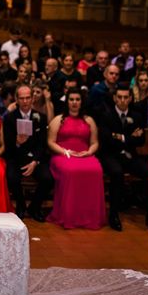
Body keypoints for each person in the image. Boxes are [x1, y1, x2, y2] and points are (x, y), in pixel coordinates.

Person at [97, 85, 148, 232]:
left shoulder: (137, 116)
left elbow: (141, 140)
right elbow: (106, 140)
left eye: (126, 97)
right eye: (120, 97)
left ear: (130, 98)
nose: (123, 100)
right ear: (114, 98)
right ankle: (114, 215)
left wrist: (119, 137)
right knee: (117, 174)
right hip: (111, 155)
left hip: (131, 156)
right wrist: (129, 137)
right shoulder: (106, 115)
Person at [46, 88, 106, 229]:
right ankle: (69, 215)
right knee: (71, 171)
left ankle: (89, 216)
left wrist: (89, 152)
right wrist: (65, 151)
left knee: (96, 170)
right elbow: (50, 142)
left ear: (81, 102)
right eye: (71, 99)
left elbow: (95, 142)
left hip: (84, 154)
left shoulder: (89, 120)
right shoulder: (58, 119)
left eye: (77, 100)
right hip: (63, 155)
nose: (74, 103)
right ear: (67, 102)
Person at [3, 85, 53, 221]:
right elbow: (7, 146)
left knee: (48, 179)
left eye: (28, 98)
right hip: (16, 157)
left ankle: (35, 207)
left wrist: (35, 161)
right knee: (11, 177)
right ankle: (21, 205)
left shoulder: (41, 117)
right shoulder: (9, 118)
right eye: (22, 98)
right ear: (17, 100)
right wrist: (18, 142)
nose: (25, 101)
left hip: (35, 159)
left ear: (32, 99)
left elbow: (42, 144)